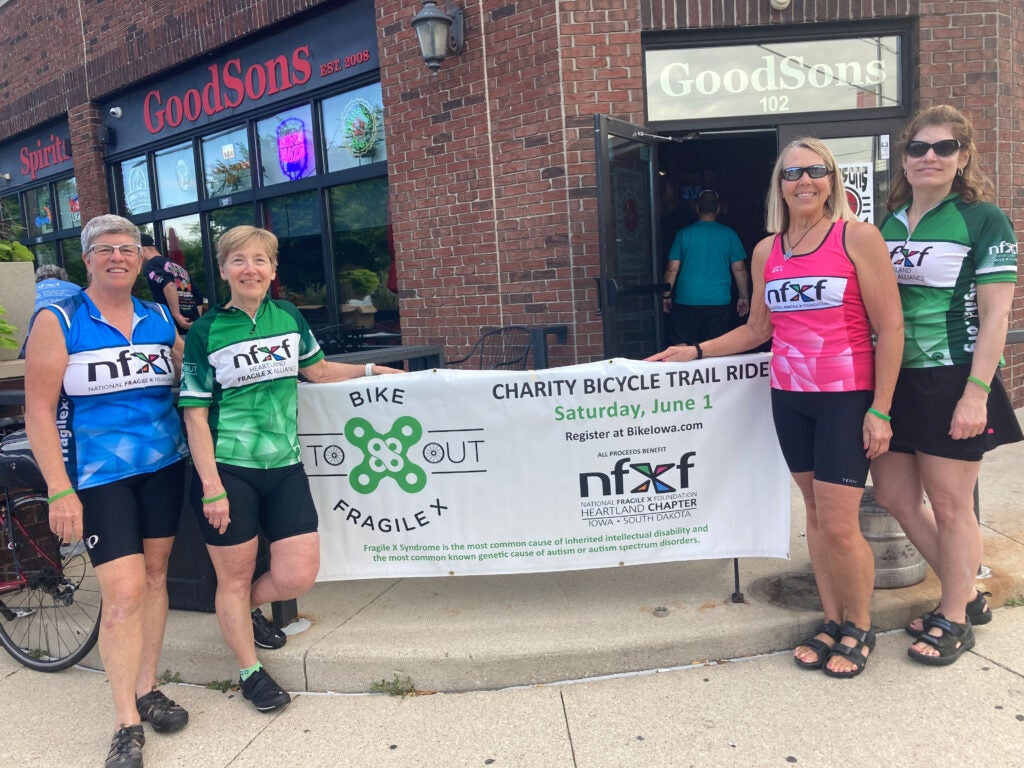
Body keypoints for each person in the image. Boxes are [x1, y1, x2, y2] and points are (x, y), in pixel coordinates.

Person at [646, 138, 903, 678]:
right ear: (780, 185)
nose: (804, 181)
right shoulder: (768, 250)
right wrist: (694, 351)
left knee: (838, 523)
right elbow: (758, 329)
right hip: (788, 397)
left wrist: (880, 408)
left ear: (831, 180)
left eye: (815, 171)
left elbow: (891, 327)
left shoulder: (858, 237)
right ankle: (832, 619)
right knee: (812, 515)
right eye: (792, 173)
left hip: (845, 397)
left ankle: (860, 625)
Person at [178, 225, 402, 713]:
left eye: (259, 260)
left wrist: (373, 371)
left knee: (298, 573)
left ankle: (243, 611)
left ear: (273, 270)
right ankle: (249, 671)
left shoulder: (288, 316)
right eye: (238, 260)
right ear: (223, 270)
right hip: (228, 468)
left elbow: (317, 371)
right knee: (231, 579)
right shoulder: (205, 331)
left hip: (284, 464)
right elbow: (194, 414)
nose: (250, 269)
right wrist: (211, 487)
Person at [24, 215, 190, 768]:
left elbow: (186, 388)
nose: (117, 257)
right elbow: (39, 412)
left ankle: (148, 686)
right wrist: (58, 489)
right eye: (104, 249)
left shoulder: (160, 316)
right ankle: (125, 721)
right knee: (121, 594)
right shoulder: (59, 318)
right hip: (97, 477)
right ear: (86, 258)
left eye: (128, 248)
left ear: (143, 257)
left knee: (156, 577)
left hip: (164, 466)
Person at [872, 105, 1021, 667]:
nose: (929, 156)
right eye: (918, 148)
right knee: (893, 497)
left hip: (952, 376)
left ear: (963, 158)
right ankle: (966, 594)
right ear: (904, 159)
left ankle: (954, 614)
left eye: (944, 148)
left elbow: (997, 315)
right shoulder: (886, 223)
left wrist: (976, 393)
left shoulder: (983, 219)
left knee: (952, 504)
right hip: (892, 381)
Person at [660, 189, 750, 345]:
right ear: (718, 209)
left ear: (697, 209)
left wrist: (666, 295)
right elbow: (740, 269)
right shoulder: (729, 235)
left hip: (686, 299)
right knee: (717, 348)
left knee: (682, 348)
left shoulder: (683, 234)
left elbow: (672, 269)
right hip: (719, 301)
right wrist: (744, 297)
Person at [18, 264, 83, 358]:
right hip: (75, 339)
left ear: (37, 278)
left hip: (36, 342)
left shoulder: (28, 292)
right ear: (63, 277)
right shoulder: (76, 288)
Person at [141, 233, 201, 333]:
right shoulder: (178, 266)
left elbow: (169, 284)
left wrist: (176, 315)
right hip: (193, 327)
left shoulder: (150, 265)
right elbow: (198, 297)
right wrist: (196, 321)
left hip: (174, 328)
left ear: (141, 249)